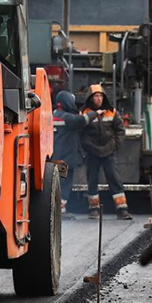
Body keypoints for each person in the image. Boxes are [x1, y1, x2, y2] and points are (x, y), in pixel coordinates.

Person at [80, 84, 132, 220]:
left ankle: (122, 210)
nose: (99, 99)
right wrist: (89, 148)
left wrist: (114, 146)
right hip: (92, 153)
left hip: (109, 152)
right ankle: (94, 210)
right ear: (91, 98)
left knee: (115, 180)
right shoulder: (84, 113)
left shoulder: (112, 112)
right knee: (92, 181)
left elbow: (120, 130)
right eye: (96, 96)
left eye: (101, 96)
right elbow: (81, 134)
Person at [52, 91, 98, 219]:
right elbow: (82, 120)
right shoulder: (66, 117)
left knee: (58, 182)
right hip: (65, 159)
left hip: (55, 157)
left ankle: (57, 210)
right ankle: (59, 211)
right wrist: (95, 113)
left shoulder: (54, 114)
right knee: (64, 184)